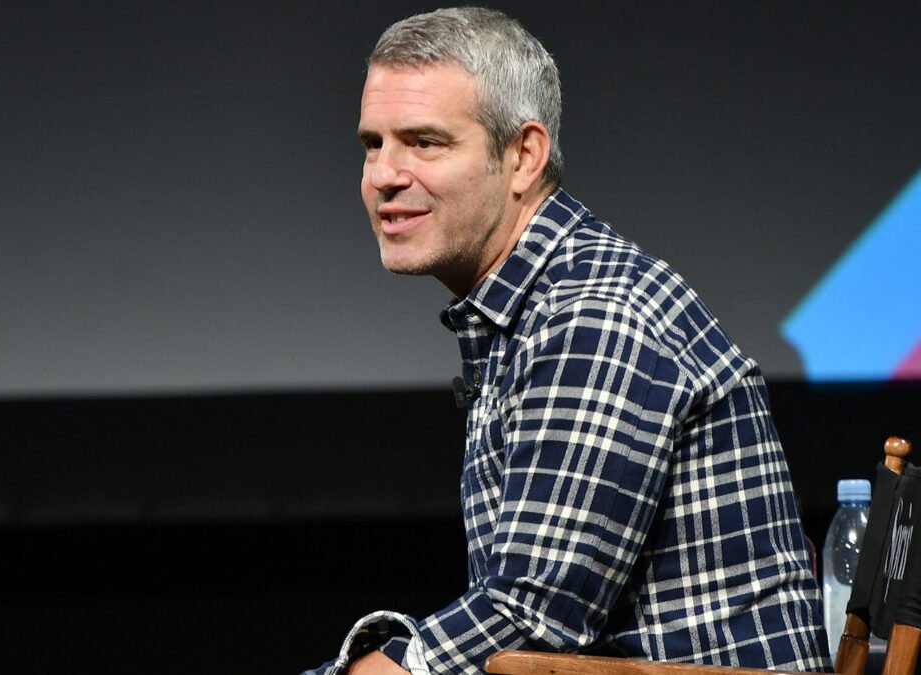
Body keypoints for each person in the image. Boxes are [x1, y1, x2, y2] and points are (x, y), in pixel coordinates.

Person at [306, 7, 828, 675]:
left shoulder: (591, 313)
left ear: (524, 155)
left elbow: (530, 619)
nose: (384, 174)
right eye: (372, 144)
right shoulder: (536, 306)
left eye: (425, 142)